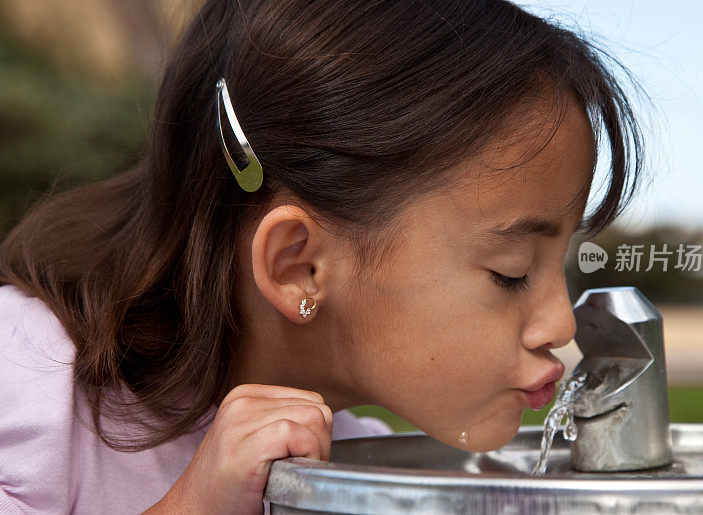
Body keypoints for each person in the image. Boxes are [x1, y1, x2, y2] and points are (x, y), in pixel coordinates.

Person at [0, 0, 646, 513]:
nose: (561, 325)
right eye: (510, 272)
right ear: (298, 266)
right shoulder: (27, 387)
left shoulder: (360, 466)